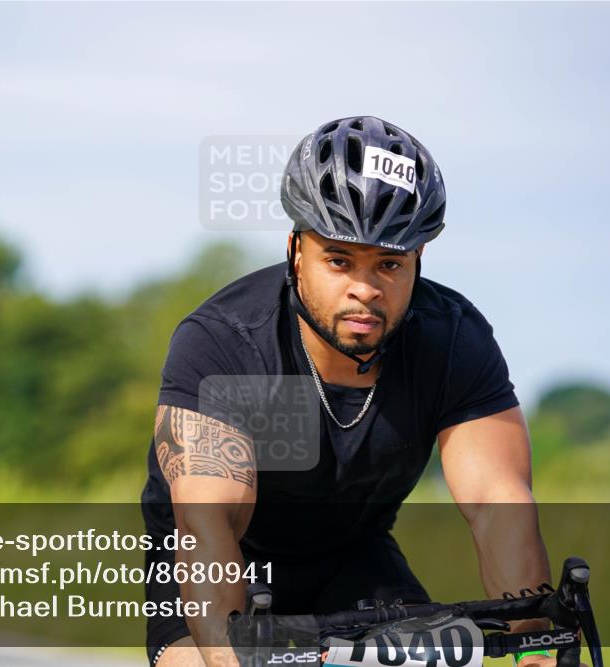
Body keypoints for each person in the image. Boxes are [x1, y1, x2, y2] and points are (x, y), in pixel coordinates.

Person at [140, 116, 563, 667]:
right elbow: (209, 525)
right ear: (295, 250)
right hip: (226, 564)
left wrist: (535, 649)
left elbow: (498, 505)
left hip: (353, 560)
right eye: (339, 260)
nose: (365, 289)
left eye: (389, 264)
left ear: (419, 262)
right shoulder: (225, 344)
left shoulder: (454, 341)